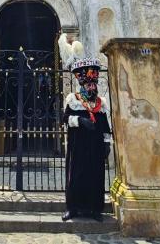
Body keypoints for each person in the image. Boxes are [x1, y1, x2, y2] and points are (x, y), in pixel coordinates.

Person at [61, 55, 112, 222]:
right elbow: (65, 119)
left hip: (95, 145)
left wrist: (106, 143)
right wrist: (80, 121)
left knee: (95, 176)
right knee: (76, 175)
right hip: (78, 145)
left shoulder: (100, 103)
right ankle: (72, 208)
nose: (91, 87)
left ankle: (94, 209)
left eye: (93, 84)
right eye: (88, 84)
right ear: (82, 84)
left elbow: (105, 126)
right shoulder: (73, 100)